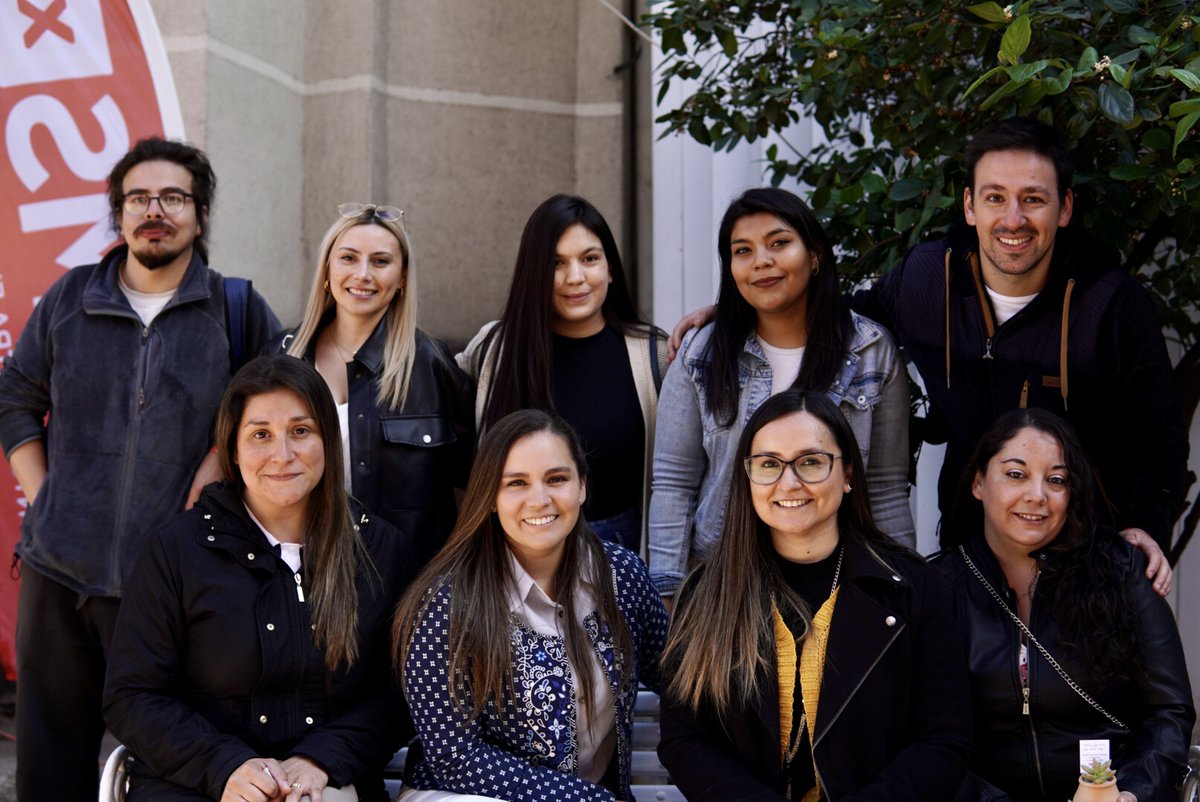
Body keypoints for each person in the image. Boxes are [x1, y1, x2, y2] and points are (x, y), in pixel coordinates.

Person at [666, 119, 1182, 588]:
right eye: (996, 197)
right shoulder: (928, 281)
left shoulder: (1110, 305)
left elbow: (1159, 434)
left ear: (1065, 208)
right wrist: (740, 309)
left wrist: (1145, 525)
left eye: (1034, 199)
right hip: (971, 553)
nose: (1014, 219)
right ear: (969, 205)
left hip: (1087, 552)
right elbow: (838, 317)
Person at [0, 137, 279, 801]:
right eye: (138, 199)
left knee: (165, 760)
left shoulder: (235, 310)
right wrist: (45, 497)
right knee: (50, 761)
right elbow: (15, 398)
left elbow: (270, 418)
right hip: (58, 575)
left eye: (173, 198)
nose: (155, 210)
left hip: (175, 579)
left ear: (200, 215)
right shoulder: (70, 298)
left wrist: (215, 468)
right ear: (119, 215)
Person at [103, 355, 419, 802]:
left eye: (301, 431)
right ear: (231, 449)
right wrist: (227, 766)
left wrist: (319, 760)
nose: (282, 455)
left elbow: (398, 694)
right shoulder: (176, 551)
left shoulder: (380, 552)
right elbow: (132, 696)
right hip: (195, 784)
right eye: (260, 435)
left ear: (329, 438)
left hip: (325, 784)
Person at [658, 390, 972, 801]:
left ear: (847, 475)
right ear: (747, 477)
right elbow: (686, 739)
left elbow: (946, 738)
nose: (790, 482)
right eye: (769, 464)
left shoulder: (914, 588)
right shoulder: (706, 594)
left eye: (811, 462)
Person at [649, 187, 914, 600]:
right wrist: (665, 591)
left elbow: (884, 488)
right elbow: (673, 483)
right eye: (743, 250)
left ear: (814, 255)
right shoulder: (701, 354)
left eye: (779, 243)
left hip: (841, 580)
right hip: (726, 581)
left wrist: (903, 586)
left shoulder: (870, 352)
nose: (761, 261)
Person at [393, 409, 669, 802]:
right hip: (465, 795)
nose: (540, 500)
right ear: (489, 497)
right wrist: (582, 798)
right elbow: (453, 757)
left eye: (556, 479)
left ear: (582, 487)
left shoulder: (621, 577)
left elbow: (679, 679)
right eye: (516, 483)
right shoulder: (446, 602)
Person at [937, 409, 1194, 802]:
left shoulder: (1120, 570)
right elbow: (926, 738)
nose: (1037, 495)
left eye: (1056, 480)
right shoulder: (938, 589)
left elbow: (1168, 711)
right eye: (1016, 474)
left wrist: (1135, 793)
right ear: (978, 482)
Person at [457, 194, 666, 553]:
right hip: (510, 553)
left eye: (590, 259)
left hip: (622, 549)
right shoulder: (494, 348)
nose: (576, 277)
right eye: (556, 263)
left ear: (611, 268)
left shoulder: (654, 354)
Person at [276, 203, 474, 564]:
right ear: (326, 271)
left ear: (401, 278)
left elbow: (476, 480)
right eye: (348, 258)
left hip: (403, 583)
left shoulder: (430, 364)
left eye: (380, 261)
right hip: (298, 571)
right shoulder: (281, 358)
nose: (363, 274)